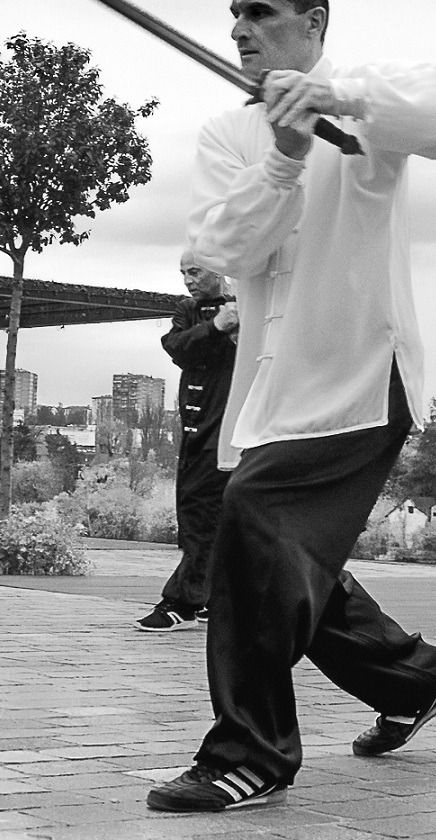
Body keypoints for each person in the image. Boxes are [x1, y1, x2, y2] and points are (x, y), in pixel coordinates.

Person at [146, 0, 436, 813]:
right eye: (234, 14)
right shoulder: (228, 133)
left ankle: (252, 753)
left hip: (361, 376)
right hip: (270, 393)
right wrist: (284, 156)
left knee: (258, 525)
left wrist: (339, 99)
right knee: (277, 552)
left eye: (261, 12)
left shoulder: (370, 101)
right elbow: (225, 249)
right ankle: (415, 680)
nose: (240, 29)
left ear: (313, 23)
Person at [135, 251, 238, 632]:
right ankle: (212, 598)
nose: (187, 280)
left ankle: (183, 603)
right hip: (197, 430)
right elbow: (177, 348)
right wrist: (217, 327)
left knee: (202, 515)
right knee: (203, 515)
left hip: (229, 428)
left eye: (194, 271)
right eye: (183, 272)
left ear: (218, 267)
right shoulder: (188, 310)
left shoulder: (248, 306)